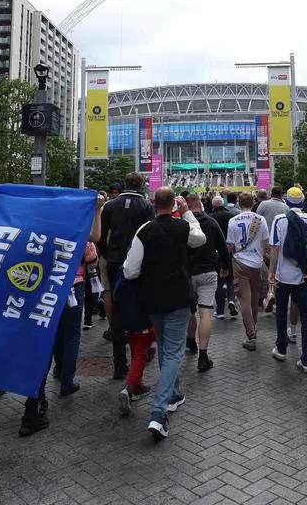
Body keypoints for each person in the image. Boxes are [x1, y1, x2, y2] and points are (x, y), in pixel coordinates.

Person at [122, 187, 206, 441]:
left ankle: (174, 393)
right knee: (173, 351)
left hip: (152, 299)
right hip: (178, 297)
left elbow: (130, 270)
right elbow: (200, 239)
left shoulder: (144, 231)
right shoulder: (182, 227)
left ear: (152, 203)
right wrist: (188, 213)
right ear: (174, 205)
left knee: (164, 347)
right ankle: (159, 412)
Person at [18, 193, 104, 436]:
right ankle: (66, 380)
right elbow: (93, 251)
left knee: (45, 339)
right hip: (71, 288)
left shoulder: (35, 233)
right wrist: (96, 211)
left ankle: (37, 396)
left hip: (41, 292)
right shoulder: (74, 232)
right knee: (72, 334)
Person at [98, 173, 154, 380]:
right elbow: (150, 235)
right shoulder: (146, 206)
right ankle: (144, 350)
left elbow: (101, 235)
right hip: (138, 262)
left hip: (114, 261)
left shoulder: (111, 206)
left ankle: (119, 363)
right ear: (141, 184)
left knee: (117, 308)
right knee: (142, 305)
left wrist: (107, 253)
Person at [268, 187, 307, 372]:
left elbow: (274, 248)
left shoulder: (280, 220)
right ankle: (306, 359)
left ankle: (281, 349)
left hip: (283, 275)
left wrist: (271, 272)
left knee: (281, 312)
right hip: (304, 276)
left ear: (286, 201)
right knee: (306, 316)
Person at [184, 193, 228, 372]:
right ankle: (203, 355)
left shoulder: (182, 224)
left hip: (187, 273)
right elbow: (223, 247)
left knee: (189, 310)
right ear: (201, 204)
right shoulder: (211, 222)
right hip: (209, 271)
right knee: (206, 312)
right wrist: (225, 267)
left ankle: (190, 341)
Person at [226, 192, 269, 351]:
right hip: (256, 262)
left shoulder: (233, 221)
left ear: (239, 202)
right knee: (254, 298)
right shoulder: (260, 220)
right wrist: (261, 256)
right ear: (253, 202)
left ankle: (251, 334)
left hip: (240, 261)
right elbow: (266, 243)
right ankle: (254, 327)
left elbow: (229, 245)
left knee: (244, 299)